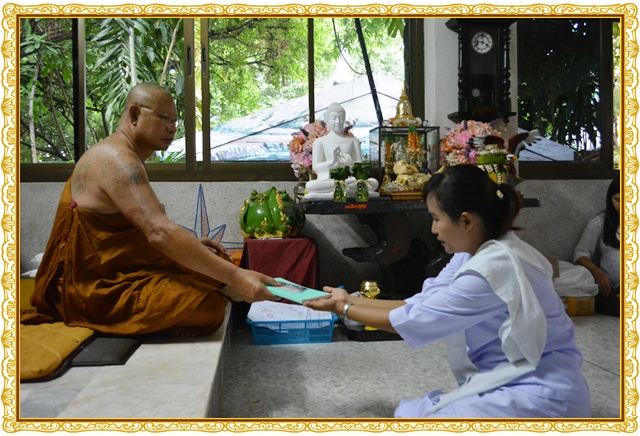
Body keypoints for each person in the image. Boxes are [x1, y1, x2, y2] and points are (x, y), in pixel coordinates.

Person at [305, 165, 591, 418]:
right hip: (510, 378)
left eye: (436, 218)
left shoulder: (491, 268)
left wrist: (342, 309)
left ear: (466, 221)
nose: (433, 229)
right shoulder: (474, 252)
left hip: (541, 392)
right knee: (411, 412)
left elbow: (417, 320)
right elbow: (418, 303)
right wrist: (348, 299)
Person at [23, 83, 279, 337]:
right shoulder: (116, 158)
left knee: (215, 261)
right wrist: (238, 277)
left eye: (175, 120)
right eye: (164, 117)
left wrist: (193, 246)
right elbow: (158, 232)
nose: (172, 127)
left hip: (122, 268)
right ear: (134, 114)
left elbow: (141, 233)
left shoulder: (127, 156)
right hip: (87, 287)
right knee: (207, 307)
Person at [304, 102, 379, 200]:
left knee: (373, 182)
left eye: (341, 118)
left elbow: (360, 167)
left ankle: (342, 186)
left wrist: (351, 163)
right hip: (329, 180)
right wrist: (332, 161)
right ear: (327, 120)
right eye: (334, 118)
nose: (338, 121)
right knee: (310, 186)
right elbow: (316, 167)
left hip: (350, 180)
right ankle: (342, 186)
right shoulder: (319, 142)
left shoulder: (353, 141)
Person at [573, 176, 620, 316]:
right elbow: (580, 254)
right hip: (615, 287)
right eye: (617, 200)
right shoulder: (600, 223)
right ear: (610, 200)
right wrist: (596, 271)